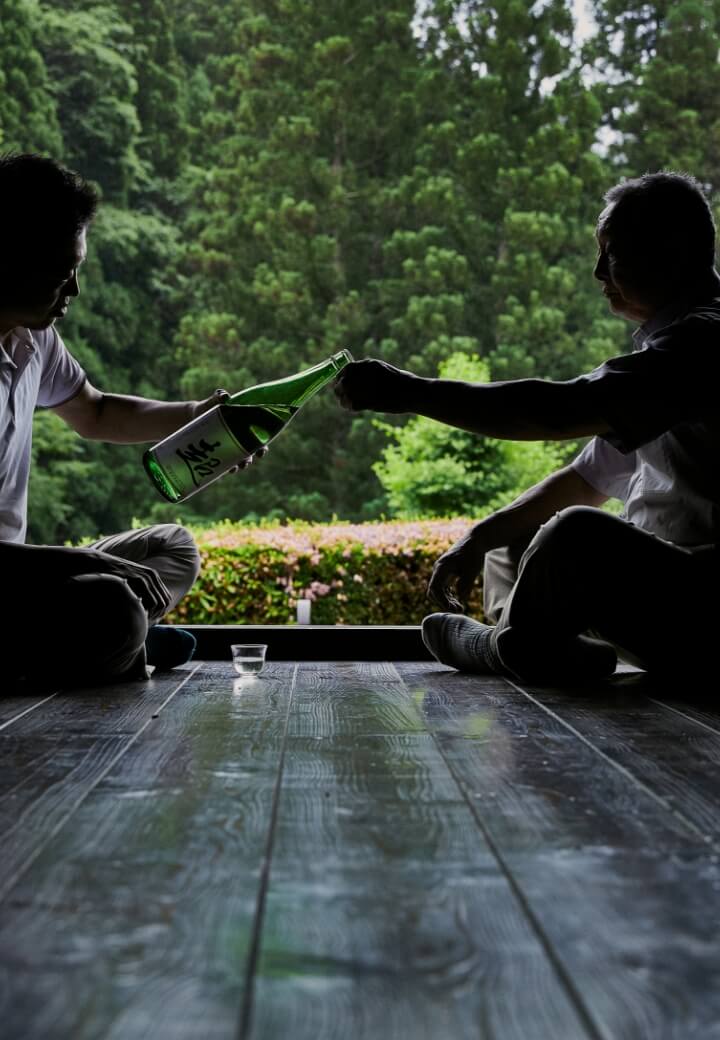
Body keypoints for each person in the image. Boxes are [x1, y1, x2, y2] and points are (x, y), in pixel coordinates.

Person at [335, 171, 720, 683]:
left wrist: (411, 392)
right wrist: (477, 538)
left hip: (704, 605)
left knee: (575, 533)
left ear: (672, 251)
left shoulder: (703, 343)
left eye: (613, 252)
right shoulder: (665, 351)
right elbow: (585, 478)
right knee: (513, 539)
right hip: (665, 594)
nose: (597, 271)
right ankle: (549, 647)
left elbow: (557, 409)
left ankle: (507, 647)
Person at [0, 153, 259, 686]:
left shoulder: (35, 337)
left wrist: (196, 416)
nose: (72, 290)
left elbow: (94, 412)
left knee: (173, 548)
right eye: (61, 272)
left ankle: (122, 640)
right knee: (114, 599)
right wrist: (96, 570)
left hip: (23, 581)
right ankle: (123, 639)